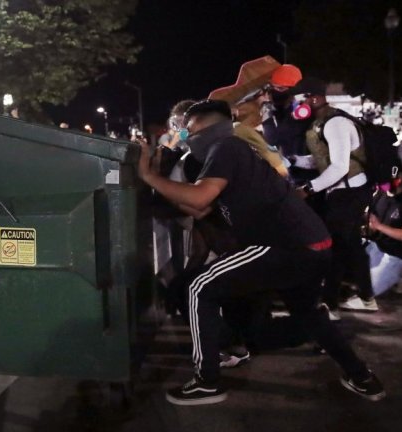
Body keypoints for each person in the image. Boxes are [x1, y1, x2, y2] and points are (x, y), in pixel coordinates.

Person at [136, 99, 385, 405]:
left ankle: (207, 381)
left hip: (284, 245)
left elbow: (199, 198)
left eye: (187, 129)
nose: (183, 136)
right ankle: (361, 376)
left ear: (205, 127)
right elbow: (200, 210)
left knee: (198, 287)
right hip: (312, 245)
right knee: (308, 314)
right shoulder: (233, 150)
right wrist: (159, 186)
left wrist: (149, 177)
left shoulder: (226, 148)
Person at [289, 77, 377, 313]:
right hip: (344, 192)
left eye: (300, 99)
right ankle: (365, 298)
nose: (297, 105)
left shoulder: (336, 123)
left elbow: (339, 167)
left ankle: (331, 303)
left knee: (336, 247)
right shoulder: (323, 122)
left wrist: (308, 188)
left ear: (314, 98)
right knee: (349, 246)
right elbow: (322, 160)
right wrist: (294, 160)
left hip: (349, 192)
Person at [364, 189, 402, 297]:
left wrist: (379, 226)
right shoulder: (379, 195)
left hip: (395, 255)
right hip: (377, 247)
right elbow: (372, 225)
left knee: (368, 293)